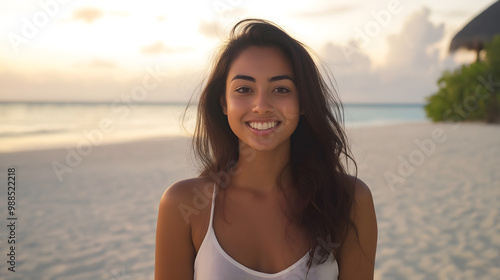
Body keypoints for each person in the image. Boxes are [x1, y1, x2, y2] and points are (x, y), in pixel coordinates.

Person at [155, 19, 377, 279]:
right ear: (223, 103)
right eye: (244, 89)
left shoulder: (349, 200)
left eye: (281, 89)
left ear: (303, 102)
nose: (261, 105)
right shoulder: (184, 204)